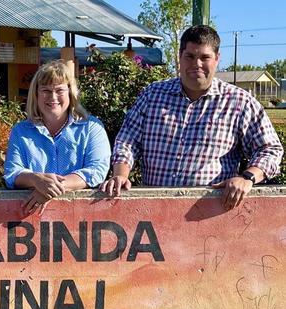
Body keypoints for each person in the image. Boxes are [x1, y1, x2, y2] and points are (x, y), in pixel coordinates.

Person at [100, 25, 283, 210]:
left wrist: (248, 178)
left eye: (205, 57)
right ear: (180, 57)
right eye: (190, 56)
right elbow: (127, 140)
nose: (197, 64)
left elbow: (270, 149)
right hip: (154, 212)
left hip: (212, 214)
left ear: (217, 59)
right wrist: (121, 174)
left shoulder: (240, 102)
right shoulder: (152, 95)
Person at [3, 60, 111, 214]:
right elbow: (12, 173)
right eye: (45, 90)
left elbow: (96, 170)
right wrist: (36, 180)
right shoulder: (21, 131)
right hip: (29, 219)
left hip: (81, 218)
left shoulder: (92, 128)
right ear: (36, 94)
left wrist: (50, 188)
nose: (52, 97)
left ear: (70, 93)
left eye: (59, 90)